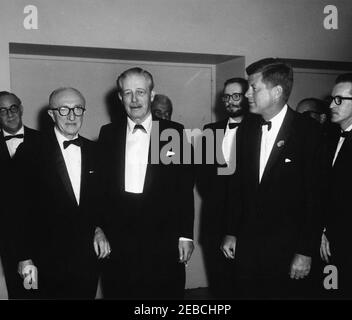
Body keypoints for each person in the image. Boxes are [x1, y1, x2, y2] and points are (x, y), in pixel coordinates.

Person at [221, 58, 323, 299]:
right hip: (247, 249)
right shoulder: (247, 129)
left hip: (287, 252)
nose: (246, 94)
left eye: (253, 88)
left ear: (277, 92)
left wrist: (305, 251)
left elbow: (317, 197)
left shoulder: (309, 133)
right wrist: (231, 231)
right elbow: (238, 187)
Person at [97, 67, 194, 300]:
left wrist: (185, 235)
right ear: (120, 97)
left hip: (164, 239)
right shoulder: (108, 134)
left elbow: (183, 188)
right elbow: (100, 190)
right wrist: (99, 228)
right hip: (120, 241)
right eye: (127, 93)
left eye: (140, 92)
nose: (134, 99)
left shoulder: (174, 133)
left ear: (151, 95)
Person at [18, 87, 110, 299]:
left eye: (77, 109)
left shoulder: (95, 151)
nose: (71, 116)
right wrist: (24, 257)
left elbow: (101, 201)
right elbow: (18, 209)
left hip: (87, 258)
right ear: (51, 114)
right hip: (43, 259)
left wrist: (99, 228)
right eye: (63, 109)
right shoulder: (30, 151)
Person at [320, 73, 352, 299]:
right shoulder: (330, 137)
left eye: (340, 100)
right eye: (332, 99)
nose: (332, 105)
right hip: (329, 244)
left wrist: (329, 232)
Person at [198, 77, 248, 299]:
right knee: (220, 288)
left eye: (236, 95)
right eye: (226, 97)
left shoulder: (260, 131)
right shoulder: (210, 130)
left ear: (247, 97)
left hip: (247, 228)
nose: (230, 101)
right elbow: (202, 179)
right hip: (213, 226)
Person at [0, 91, 41, 299]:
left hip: (46, 235)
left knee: (49, 291)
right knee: (22, 293)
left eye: (13, 108)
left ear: (20, 109)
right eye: (3, 111)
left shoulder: (45, 141)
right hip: (11, 240)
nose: (10, 114)